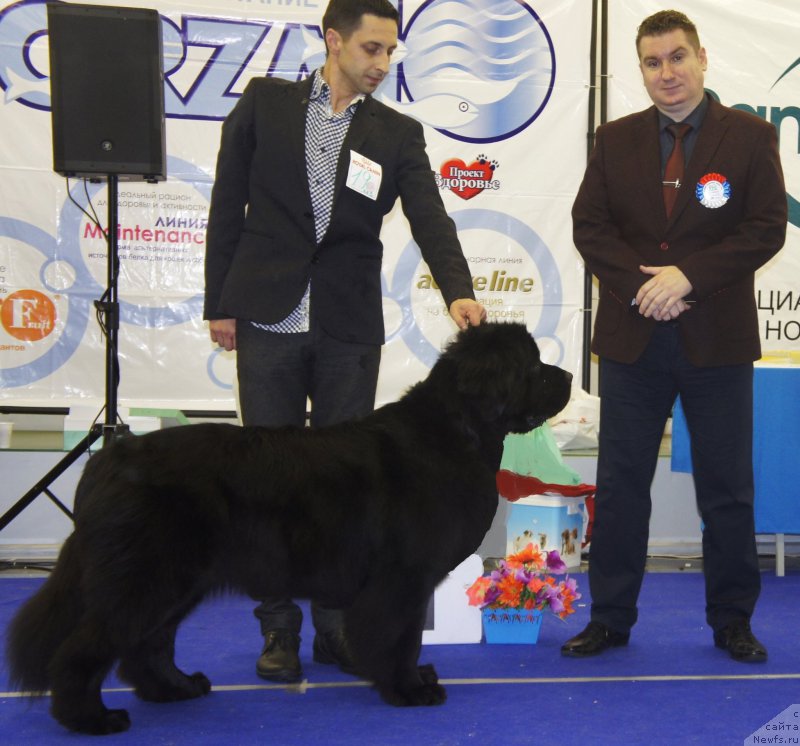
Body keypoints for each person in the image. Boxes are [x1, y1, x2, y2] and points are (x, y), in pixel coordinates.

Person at [203, 0, 485, 684]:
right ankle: (278, 629)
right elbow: (227, 203)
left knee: (346, 490)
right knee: (267, 484)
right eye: (371, 49)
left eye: (391, 51)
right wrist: (220, 302)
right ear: (333, 40)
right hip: (267, 316)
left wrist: (458, 290)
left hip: (348, 329)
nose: (383, 63)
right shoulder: (264, 105)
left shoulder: (397, 133)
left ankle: (336, 630)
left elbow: (430, 217)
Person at [562, 10, 786, 662]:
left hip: (716, 338)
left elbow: (766, 227)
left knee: (727, 489)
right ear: (641, 69)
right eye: (653, 62)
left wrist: (688, 277)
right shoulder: (615, 139)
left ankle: (733, 622)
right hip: (633, 338)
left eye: (677, 57)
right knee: (621, 484)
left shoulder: (750, 137)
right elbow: (589, 227)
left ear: (702, 57)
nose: (667, 73)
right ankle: (609, 619)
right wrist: (645, 288)